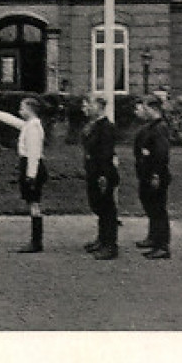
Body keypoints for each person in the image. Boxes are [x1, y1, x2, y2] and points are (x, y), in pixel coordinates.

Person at [0, 97, 47, 253]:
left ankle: (36, 241)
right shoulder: (29, 125)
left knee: (34, 203)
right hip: (29, 165)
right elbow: (11, 120)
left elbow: (34, 153)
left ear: (30, 109)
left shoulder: (34, 127)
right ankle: (36, 240)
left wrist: (31, 175)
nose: (20, 111)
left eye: (22, 108)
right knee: (32, 203)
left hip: (31, 166)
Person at [80, 95, 120, 259]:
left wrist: (104, 175)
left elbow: (106, 153)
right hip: (94, 171)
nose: (87, 108)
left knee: (107, 208)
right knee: (99, 206)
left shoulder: (106, 127)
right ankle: (102, 239)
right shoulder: (94, 126)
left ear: (99, 107)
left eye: (90, 105)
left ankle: (110, 245)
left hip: (103, 172)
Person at [134, 94, 172, 259]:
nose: (144, 110)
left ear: (154, 109)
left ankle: (162, 245)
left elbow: (161, 154)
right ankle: (153, 237)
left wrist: (156, 174)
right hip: (147, 172)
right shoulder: (151, 127)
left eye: (146, 107)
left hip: (155, 174)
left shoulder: (160, 128)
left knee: (157, 209)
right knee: (150, 206)